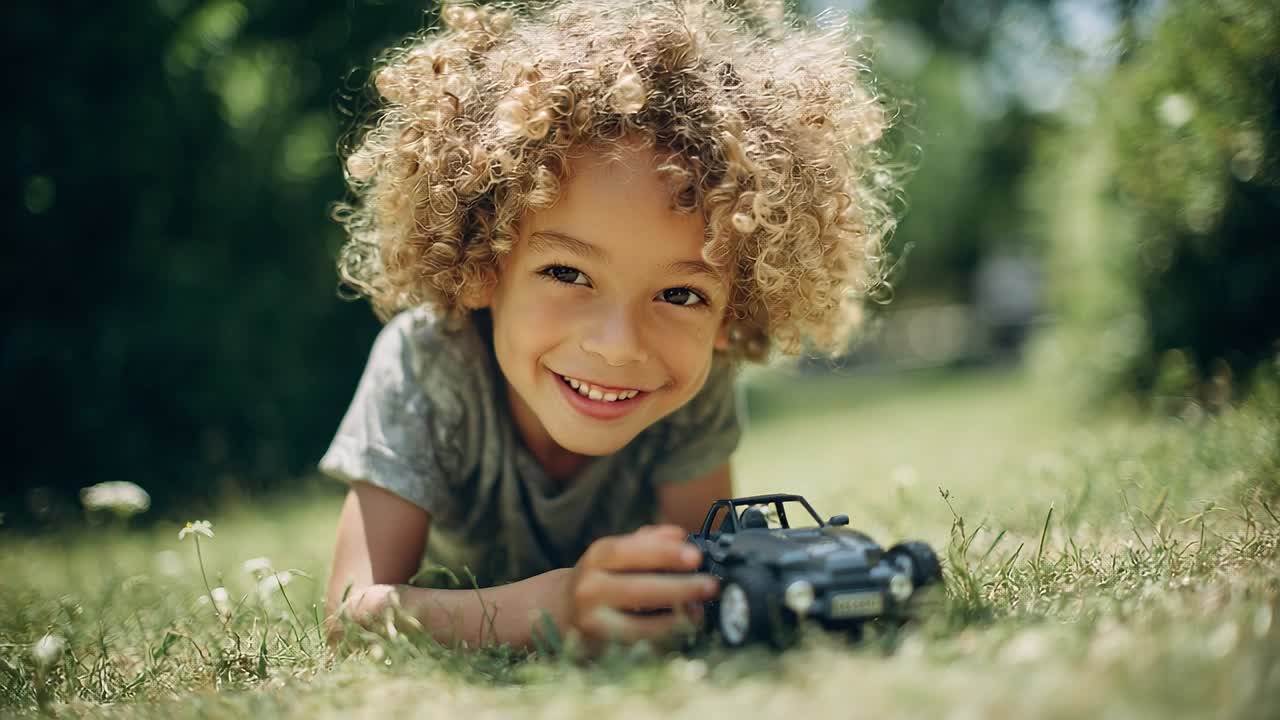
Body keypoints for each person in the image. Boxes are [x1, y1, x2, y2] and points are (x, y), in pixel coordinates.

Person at [321, 0, 895, 651]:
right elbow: (350, 613)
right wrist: (553, 609)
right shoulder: (426, 364)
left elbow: (703, 564)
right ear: (483, 261)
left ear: (730, 311)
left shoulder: (695, 384)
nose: (620, 346)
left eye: (680, 293)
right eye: (567, 274)